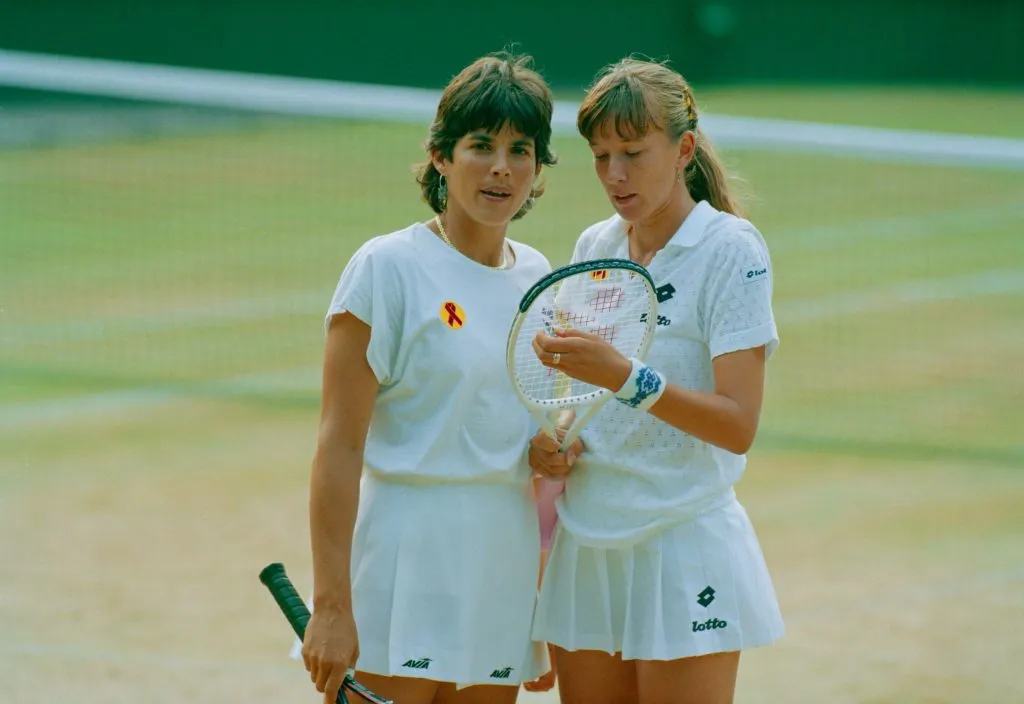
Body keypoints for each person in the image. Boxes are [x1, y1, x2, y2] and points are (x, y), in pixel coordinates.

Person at [298, 51, 559, 704]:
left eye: (520, 150)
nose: (501, 167)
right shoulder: (385, 268)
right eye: (481, 145)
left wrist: (542, 595)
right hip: (403, 563)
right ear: (441, 156)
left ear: (538, 168)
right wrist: (331, 606)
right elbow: (338, 447)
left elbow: (528, 447)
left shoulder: (540, 280)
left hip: (501, 568)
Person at [527, 56, 785, 704]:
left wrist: (627, 379)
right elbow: (578, 399)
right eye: (601, 156)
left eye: (633, 153)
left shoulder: (731, 250)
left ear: (684, 150)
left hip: (682, 543)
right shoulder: (594, 248)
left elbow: (737, 425)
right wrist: (558, 439)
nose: (615, 175)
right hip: (587, 544)